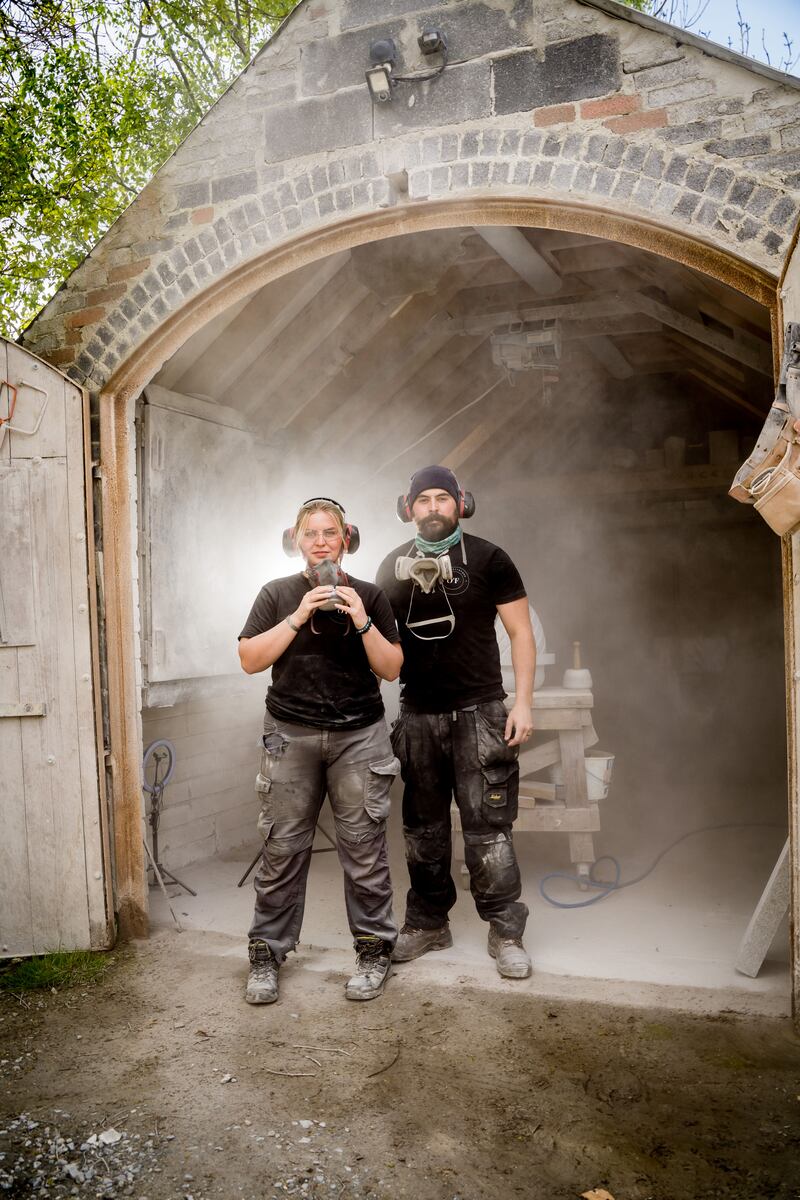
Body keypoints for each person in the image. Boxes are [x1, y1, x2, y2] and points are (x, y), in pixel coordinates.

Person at [238, 497, 403, 1004]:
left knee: (364, 851)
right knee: (283, 848)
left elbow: (392, 668)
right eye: (311, 533)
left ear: (346, 537)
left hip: (359, 737)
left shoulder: (371, 596)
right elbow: (248, 659)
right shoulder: (276, 593)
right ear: (297, 539)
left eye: (330, 532)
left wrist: (360, 619)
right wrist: (296, 617)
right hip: (290, 734)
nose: (321, 542)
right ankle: (267, 955)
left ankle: (374, 953)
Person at [375, 466, 536, 979]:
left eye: (442, 498)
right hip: (418, 714)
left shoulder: (490, 558)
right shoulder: (390, 567)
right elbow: (377, 644)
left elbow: (521, 632)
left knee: (489, 830)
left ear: (461, 503)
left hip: (481, 712)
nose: (433, 507)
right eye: (423, 500)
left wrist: (524, 702)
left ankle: (506, 931)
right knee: (422, 830)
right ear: (408, 509)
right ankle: (427, 924)